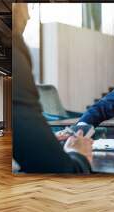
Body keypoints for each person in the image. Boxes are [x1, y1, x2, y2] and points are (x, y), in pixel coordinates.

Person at [12, 4, 93, 173]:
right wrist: (79, 156)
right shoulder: (13, 49)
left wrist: (45, 139)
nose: (28, 15)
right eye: (26, 4)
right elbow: (58, 170)